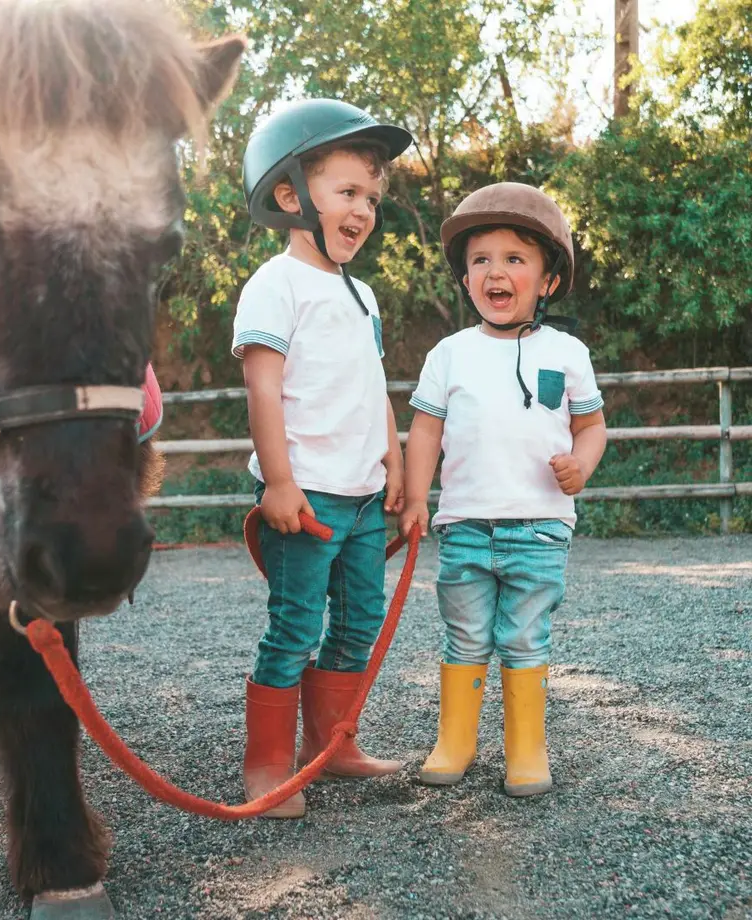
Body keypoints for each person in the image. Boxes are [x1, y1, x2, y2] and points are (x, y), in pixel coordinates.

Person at [233, 99, 413, 818]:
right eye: (348, 192)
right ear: (290, 196)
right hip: (305, 496)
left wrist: (396, 463)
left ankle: (331, 745)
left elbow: (373, 386)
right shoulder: (274, 285)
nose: (363, 210)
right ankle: (266, 766)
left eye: (371, 198)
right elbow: (263, 389)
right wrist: (278, 482)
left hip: (364, 497)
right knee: (294, 627)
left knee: (359, 621)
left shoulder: (362, 294)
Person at [399, 182, 607, 797]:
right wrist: (415, 498)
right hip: (464, 524)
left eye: (515, 259)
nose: (496, 271)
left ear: (548, 280)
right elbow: (425, 432)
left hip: (540, 527)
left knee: (523, 638)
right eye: (481, 260)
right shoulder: (449, 354)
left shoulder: (567, 352)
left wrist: (582, 463)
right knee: (464, 635)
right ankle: (456, 741)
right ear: (465, 279)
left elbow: (592, 426)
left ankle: (526, 749)